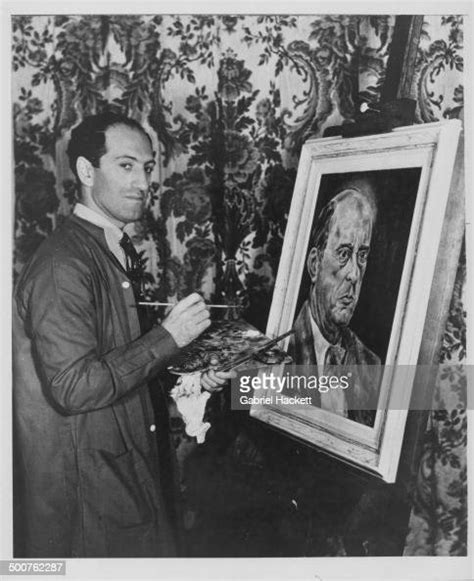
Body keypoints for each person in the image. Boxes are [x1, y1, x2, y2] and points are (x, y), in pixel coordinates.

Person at [12, 112, 233, 558]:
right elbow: (73, 387)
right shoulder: (64, 265)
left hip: (121, 479)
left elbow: (119, 362)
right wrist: (168, 337)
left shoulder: (106, 248)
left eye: (147, 168)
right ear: (86, 171)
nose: (143, 182)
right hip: (88, 503)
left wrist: (189, 378)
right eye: (126, 165)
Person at [288, 184, 381, 425]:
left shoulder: (371, 366)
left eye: (362, 257)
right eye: (343, 253)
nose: (354, 274)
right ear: (315, 264)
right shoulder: (279, 346)